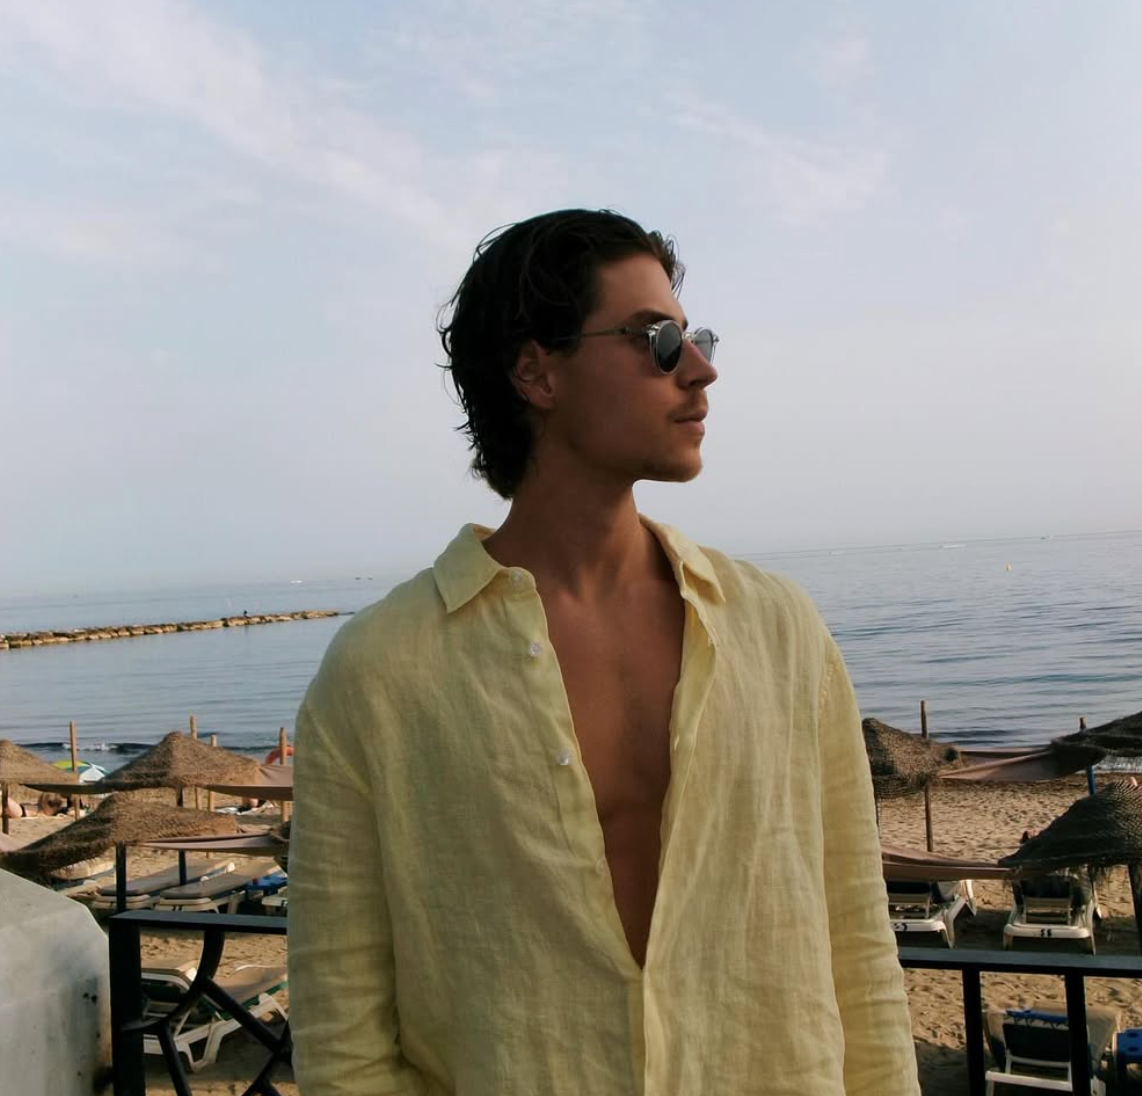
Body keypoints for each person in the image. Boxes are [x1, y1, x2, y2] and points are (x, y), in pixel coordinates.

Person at [288, 209, 919, 1095]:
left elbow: (858, 941)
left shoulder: (780, 631)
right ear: (537, 372)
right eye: (656, 340)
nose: (700, 368)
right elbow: (342, 1032)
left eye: (694, 337)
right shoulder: (380, 673)